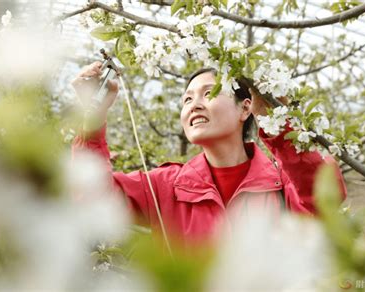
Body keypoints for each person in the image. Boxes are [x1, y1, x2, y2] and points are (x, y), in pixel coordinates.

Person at [71, 63, 347, 247]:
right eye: (187, 99)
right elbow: (91, 198)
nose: (195, 105)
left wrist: (280, 123)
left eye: (208, 93)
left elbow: (324, 200)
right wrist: (92, 117)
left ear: (246, 108)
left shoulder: (283, 185)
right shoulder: (164, 187)